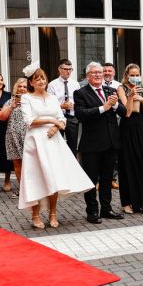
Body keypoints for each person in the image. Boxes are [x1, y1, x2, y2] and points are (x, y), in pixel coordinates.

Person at [19, 64, 94, 228]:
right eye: (36, 78)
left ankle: (53, 213)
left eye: (43, 78)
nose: (41, 81)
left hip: (53, 141)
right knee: (36, 177)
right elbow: (29, 121)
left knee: (54, 177)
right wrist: (51, 121)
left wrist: (57, 125)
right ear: (31, 82)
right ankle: (35, 214)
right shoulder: (26, 98)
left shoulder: (52, 98)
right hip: (35, 142)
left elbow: (63, 118)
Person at [74, 62, 126, 223]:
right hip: (92, 144)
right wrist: (104, 107)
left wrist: (115, 104)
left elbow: (124, 112)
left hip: (111, 143)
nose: (98, 75)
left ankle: (106, 209)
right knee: (91, 180)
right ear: (88, 76)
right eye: (94, 72)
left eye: (100, 72)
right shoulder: (81, 93)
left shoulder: (111, 90)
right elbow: (81, 114)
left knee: (106, 178)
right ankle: (92, 211)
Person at [116, 64, 143, 213]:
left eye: (137, 74)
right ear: (126, 75)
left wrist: (142, 100)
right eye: (132, 75)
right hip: (127, 128)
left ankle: (142, 201)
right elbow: (127, 113)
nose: (135, 77)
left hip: (141, 128)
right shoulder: (121, 88)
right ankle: (127, 203)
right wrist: (130, 96)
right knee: (127, 164)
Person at [0, 77, 28, 198]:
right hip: (13, 136)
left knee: (30, 163)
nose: (22, 88)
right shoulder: (10, 101)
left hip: (29, 135)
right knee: (17, 163)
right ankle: (23, 190)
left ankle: (33, 190)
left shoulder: (33, 100)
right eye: (20, 86)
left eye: (25, 86)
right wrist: (12, 106)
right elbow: (1, 117)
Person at [47, 59, 80, 155]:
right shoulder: (52, 85)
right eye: (65, 69)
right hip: (58, 118)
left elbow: (79, 101)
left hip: (72, 117)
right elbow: (49, 104)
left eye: (70, 69)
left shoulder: (75, 84)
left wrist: (74, 105)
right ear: (59, 69)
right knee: (58, 144)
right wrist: (61, 106)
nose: (68, 71)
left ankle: (72, 167)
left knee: (73, 145)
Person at [101, 62, 120, 189]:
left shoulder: (119, 86)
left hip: (116, 121)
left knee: (115, 152)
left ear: (113, 73)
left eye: (110, 71)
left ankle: (113, 178)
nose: (107, 73)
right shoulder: (98, 85)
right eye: (105, 70)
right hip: (102, 122)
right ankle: (99, 179)